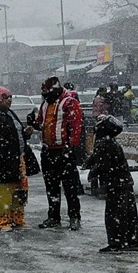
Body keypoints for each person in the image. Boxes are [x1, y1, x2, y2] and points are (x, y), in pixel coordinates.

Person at [31, 76, 84, 231]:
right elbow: (41, 124)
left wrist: (71, 147)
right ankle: (53, 216)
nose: (44, 96)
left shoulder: (69, 103)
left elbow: (76, 127)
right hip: (49, 150)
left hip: (63, 150)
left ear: (54, 90)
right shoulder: (45, 104)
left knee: (70, 187)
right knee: (51, 186)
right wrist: (33, 123)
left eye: (47, 92)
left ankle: (74, 216)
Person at [84, 115, 138, 252]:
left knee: (114, 214)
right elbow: (101, 159)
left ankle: (116, 242)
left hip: (115, 183)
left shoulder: (104, 143)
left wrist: (92, 172)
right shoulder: (110, 142)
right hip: (124, 182)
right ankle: (132, 240)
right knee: (128, 212)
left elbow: (103, 163)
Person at [0, 86, 31, 230]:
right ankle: (3, 221)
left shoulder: (11, 114)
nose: (9, 100)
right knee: (4, 192)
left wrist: (25, 133)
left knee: (19, 191)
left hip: (17, 159)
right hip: (3, 161)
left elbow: (16, 134)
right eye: (5, 97)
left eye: (10, 96)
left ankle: (17, 218)